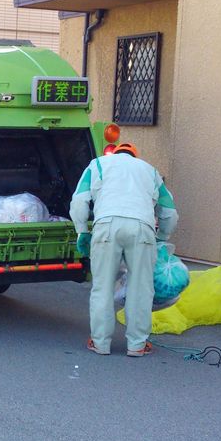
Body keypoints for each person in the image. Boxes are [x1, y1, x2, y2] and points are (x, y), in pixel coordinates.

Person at [69, 142, 178, 357]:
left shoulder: (98, 164)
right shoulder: (150, 170)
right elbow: (169, 212)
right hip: (142, 229)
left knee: (102, 286)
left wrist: (82, 232)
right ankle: (137, 345)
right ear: (134, 156)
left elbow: (79, 201)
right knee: (141, 287)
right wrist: (161, 238)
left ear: (115, 152)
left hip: (107, 226)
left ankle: (100, 343)